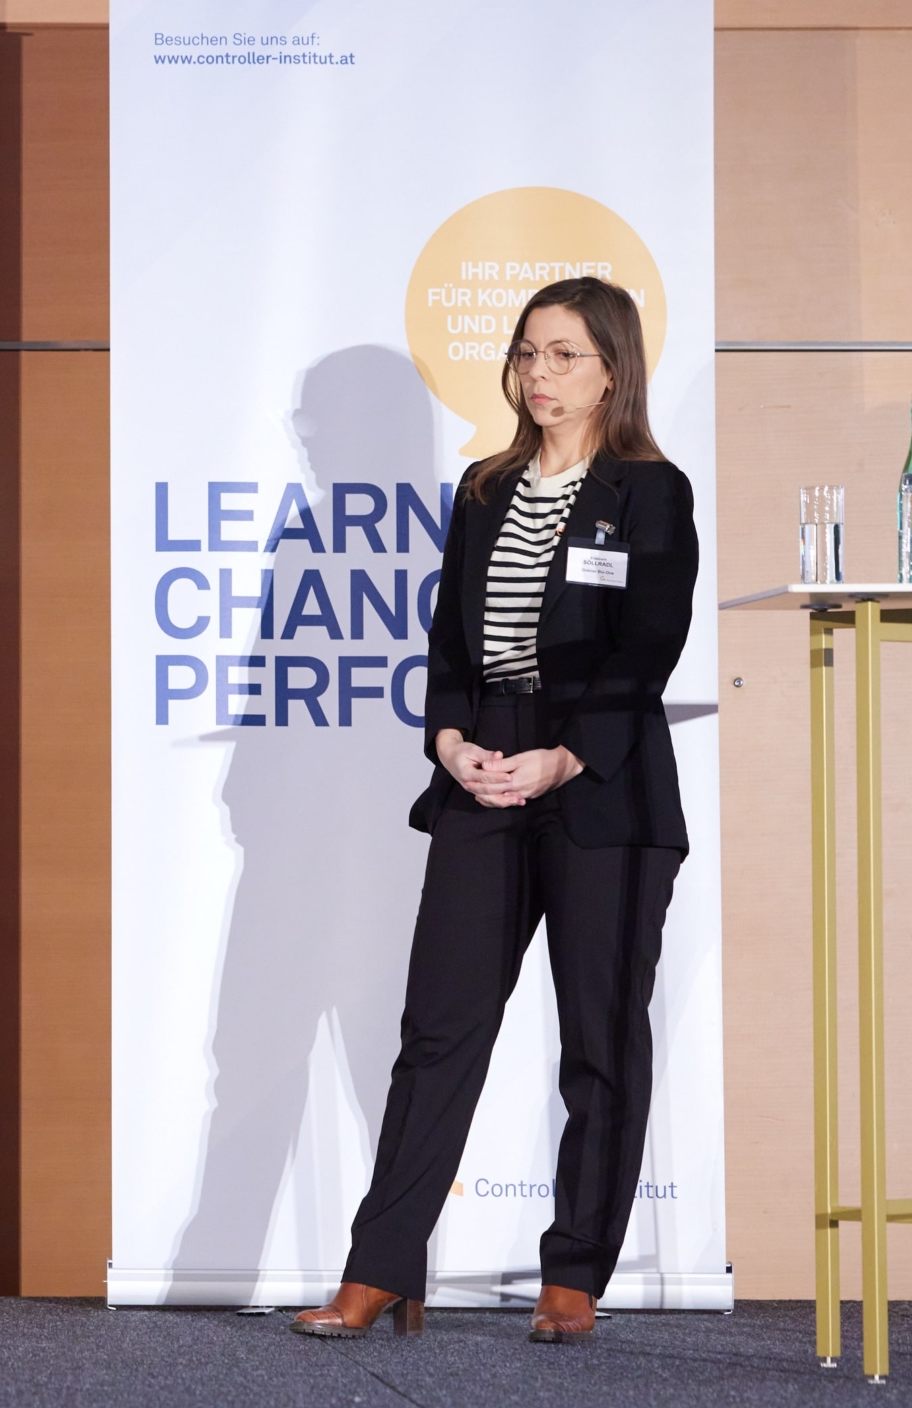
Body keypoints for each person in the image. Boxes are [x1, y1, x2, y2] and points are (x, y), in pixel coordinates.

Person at [288, 275, 695, 1345]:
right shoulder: (485, 488)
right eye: (526, 353)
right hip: (484, 768)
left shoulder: (650, 492)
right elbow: (449, 644)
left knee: (600, 1039)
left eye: (563, 355)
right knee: (438, 1028)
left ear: (612, 369)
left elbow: (648, 647)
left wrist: (565, 756)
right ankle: (379, 1269)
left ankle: (574, 1274)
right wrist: (449, 739)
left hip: (599, 781)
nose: (538, 374)